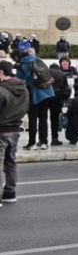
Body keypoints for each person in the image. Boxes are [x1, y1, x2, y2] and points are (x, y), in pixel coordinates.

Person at [0, 61, 29, 205]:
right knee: (10, 161)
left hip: (2, 129)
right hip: (15, 129)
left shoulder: (1, 90)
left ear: (1, 72)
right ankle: (10, 192)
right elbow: (26, 108)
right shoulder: (23, 89)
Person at [16, 41, 54, 150]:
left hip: (33, 94)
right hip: (46, 92)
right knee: (43, 118)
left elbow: (20, 80)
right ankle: (44, 142)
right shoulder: (39, 61)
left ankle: (32, 143)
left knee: (32, 119)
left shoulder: (22, 64)